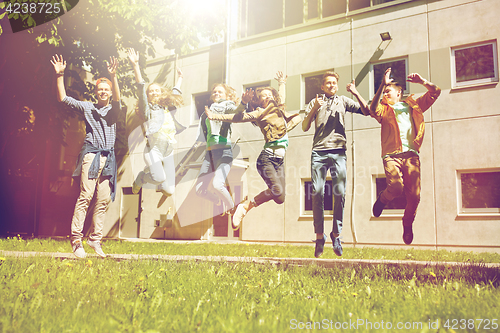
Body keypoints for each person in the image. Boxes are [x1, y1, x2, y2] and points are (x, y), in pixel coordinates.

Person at [205, 72, 301, 230]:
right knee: (277, 190)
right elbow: (236, 118)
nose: (268, 97)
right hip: (267, 159)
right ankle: (245, 206)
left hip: (279, 160)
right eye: (264, 96)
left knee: (280, 197)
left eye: (270, 95)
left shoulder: (280, 109)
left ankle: (246, 205)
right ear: (260, 102)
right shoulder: (259, 113)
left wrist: (282, 83)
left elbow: (281, 97)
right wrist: (215, 116)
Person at [51, 54, 122, 259]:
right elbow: (63, 98)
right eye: (100, 88)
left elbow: (118, 97)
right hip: (91, 155)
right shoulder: (88, 107)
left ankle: (95, 239)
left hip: (108, 159)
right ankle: (76, 240)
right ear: (96, 91)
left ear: (109, 93)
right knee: (85, 196)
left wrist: (113, 76)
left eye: (106, 89)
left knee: (103, 200)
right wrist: (60, 75)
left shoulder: (114, 110)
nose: (103, 92)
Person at [370, 68, 440, 245]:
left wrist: (423, 81)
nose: (385, 93)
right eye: (384, 91)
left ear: (399, 92)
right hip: (391, 155)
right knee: (395, 187)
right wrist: (381, 85)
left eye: (388, 91)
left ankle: (407, 222)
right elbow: (372, 108)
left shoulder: (413, 105)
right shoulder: (383, 110)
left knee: (415, 197)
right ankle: (382, 199)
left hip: (411, 156)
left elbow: (435, 92)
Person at [302, 71, 369, 258]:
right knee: (317, 192)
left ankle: (336, 234)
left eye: (334, 83)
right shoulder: (315, 102)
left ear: (337, 85)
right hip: (319, 152)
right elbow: (305, 126)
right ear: (322, 87)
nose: (332, 85)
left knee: (339, 192)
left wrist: (355, 92)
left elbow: (367, 111)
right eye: (328, 83)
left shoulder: (343, 101)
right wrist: (315, 108)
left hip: (339, 152)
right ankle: (319, 236)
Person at [127, 48, 185, 197]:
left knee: (170, 190)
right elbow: (140, 88)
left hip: (168, 150)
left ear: (161, 93)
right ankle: (142, 177)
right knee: (159, 178)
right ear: (148, 95)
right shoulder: (148, 110)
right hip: (154, 149)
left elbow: (176, 93)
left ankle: (148, 170)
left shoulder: (168, 106)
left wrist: (180, 78)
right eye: (151, 91)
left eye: (156, 91)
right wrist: (135, 65)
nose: (154, 93)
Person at [194, 83, 250, 216]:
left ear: (226, 95)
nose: (217, 94)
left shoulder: (227, 106)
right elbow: (202, 134)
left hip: (224, 151)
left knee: (217, 184)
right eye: (214, 92)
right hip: (210, 155)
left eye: (220, 92)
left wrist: (243, 103)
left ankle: (232, 209)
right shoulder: (205, 113)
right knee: (199, 190)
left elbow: (237, 112)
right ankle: (217, 200)